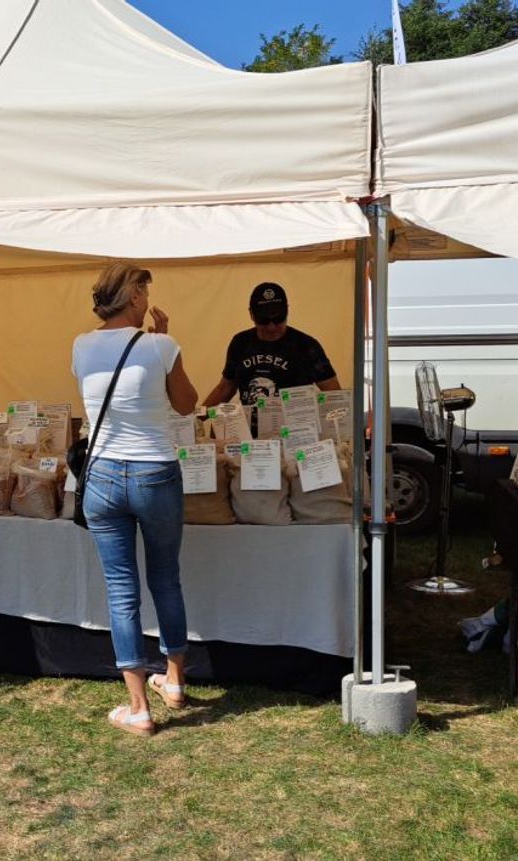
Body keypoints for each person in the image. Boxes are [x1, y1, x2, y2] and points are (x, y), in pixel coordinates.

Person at [71, 263, 199, 737]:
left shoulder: (80, 345)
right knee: (165, 579)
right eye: (145, 290)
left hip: (103, 474)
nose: (148, 298)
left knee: (121, 589)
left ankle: (138, 707)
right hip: (154, 471)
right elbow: (187, 404)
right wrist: (162, 342)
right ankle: (175, 681)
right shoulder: (161, 345)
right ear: (135, 297)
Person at [201, 282, 340, 411]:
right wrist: (197, 418)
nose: (271, 327)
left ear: (287, 311)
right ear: (251, 314)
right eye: (263, 320)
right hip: (249, 428)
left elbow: (334, 395)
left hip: (294, 427)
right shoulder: (240, 343)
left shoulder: (306, 345)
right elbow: (226, 388)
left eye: (279, 318)